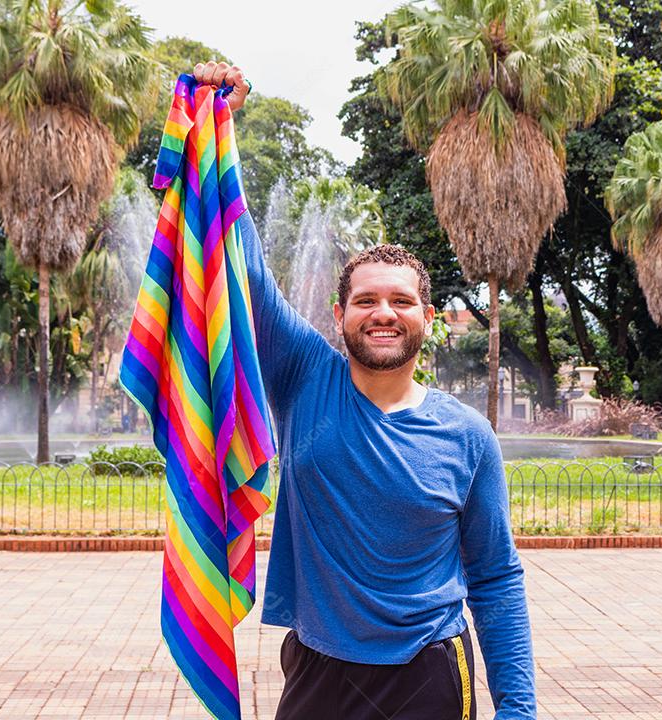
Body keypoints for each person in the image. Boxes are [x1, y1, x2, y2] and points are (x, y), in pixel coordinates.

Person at [193, 61, 536, 720]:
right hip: (321, 668)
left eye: (401, 301)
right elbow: (244, 270)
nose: (384, 313)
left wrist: (517, 710)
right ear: (340, 313)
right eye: (367, 300)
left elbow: (495, 577)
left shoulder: (468, 437)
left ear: (427, 318)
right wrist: (221, 130)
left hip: (433, 671)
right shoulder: (302, 376)